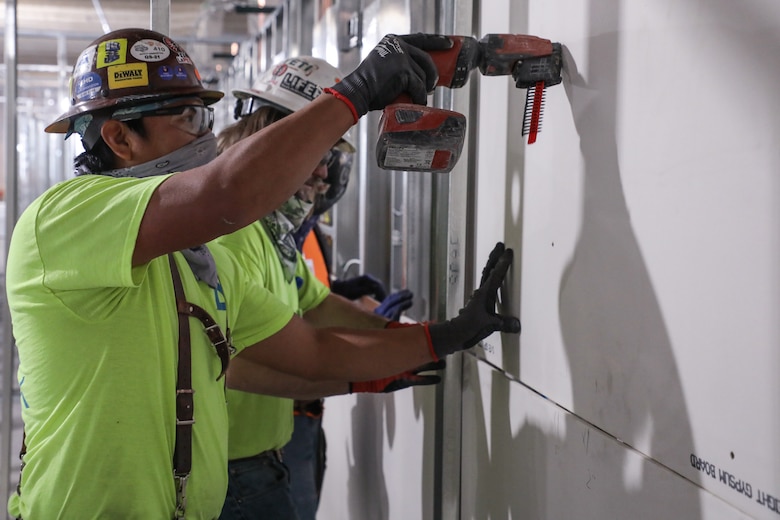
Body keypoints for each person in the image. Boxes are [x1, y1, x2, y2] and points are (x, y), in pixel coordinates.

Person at [5, 28, 520, 519]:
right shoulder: (64, 220)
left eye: (206, 118)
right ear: (119, 136)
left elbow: (313, 351)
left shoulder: (199, 264)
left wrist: (444, 337)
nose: (207, 137)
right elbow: (225, 194)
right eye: (188, 118)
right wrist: (357, 94)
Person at [215, 56, 419, 520]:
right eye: (319, 155)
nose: (325, 176)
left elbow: (316, 302)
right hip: (231, 466)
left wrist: (396, 337)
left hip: (266, 451)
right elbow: (242, 366)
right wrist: (386, 359)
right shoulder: (231, 234)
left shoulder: (271, 230)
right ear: (277, 142)